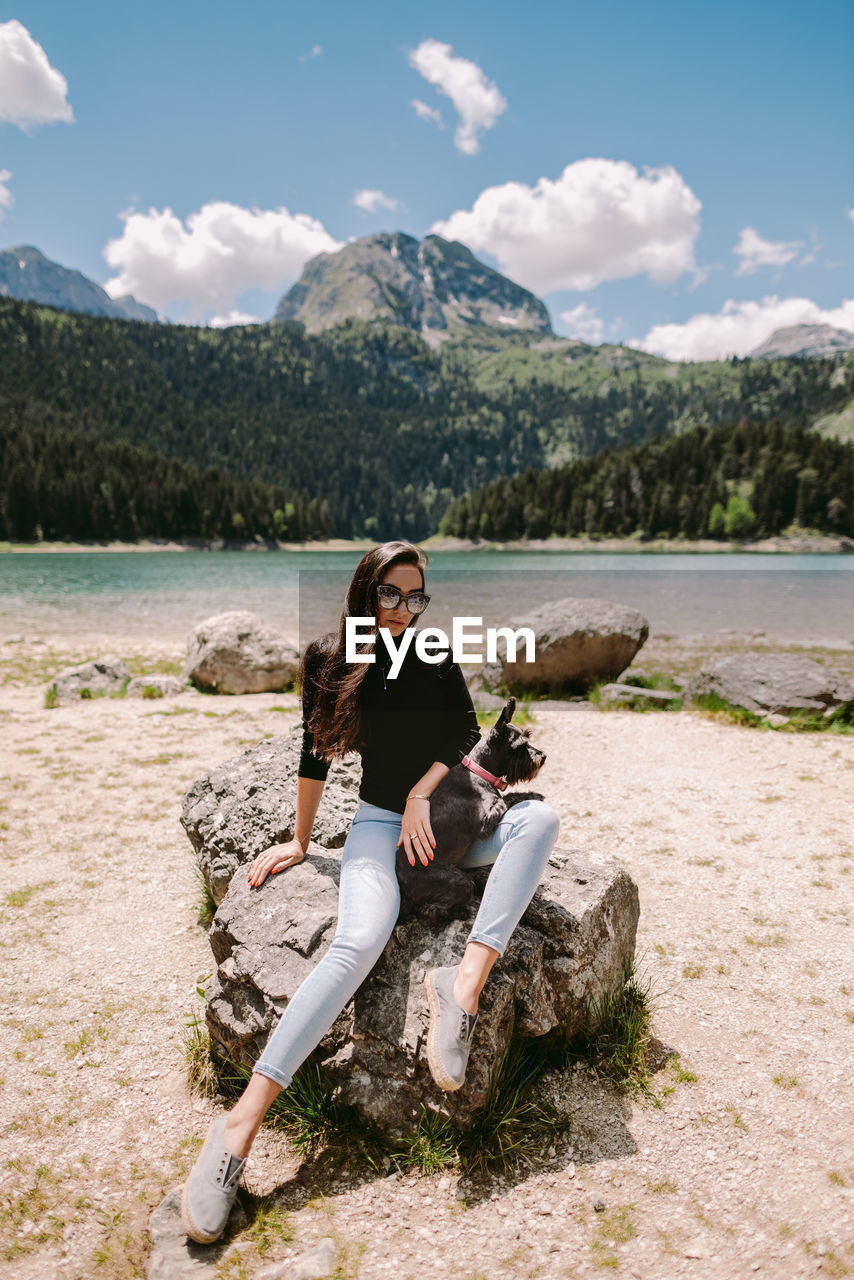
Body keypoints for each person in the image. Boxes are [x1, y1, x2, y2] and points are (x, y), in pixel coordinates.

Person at [181, 540, 560, 1244]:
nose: (405, 610)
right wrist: (300, 842)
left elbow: (469, 736)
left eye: (417, 597)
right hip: (377, 827)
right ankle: (240, 1127)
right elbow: (313, 752)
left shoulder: (435, 655)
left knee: (540, 819)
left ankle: (463, 986)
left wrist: (423, 793)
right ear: (365, 593)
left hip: (443, 815)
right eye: (392, 594)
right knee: (357, 942)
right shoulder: (331, 660)